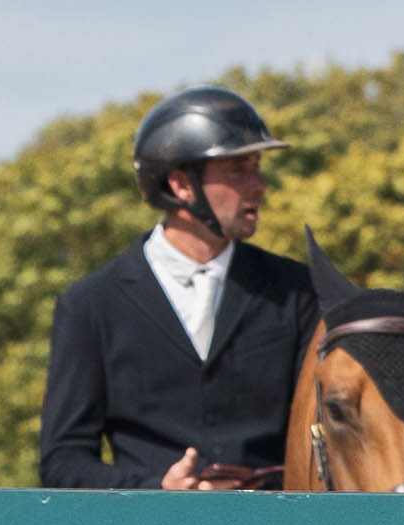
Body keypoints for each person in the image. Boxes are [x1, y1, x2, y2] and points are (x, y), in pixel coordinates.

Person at [39, 85, 318, 490]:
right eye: (239, 171)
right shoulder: (91, 305)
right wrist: (156, 488)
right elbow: (63, 463)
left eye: (256, 168)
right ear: (182, 185)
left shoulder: (298, 292)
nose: (259, 186)